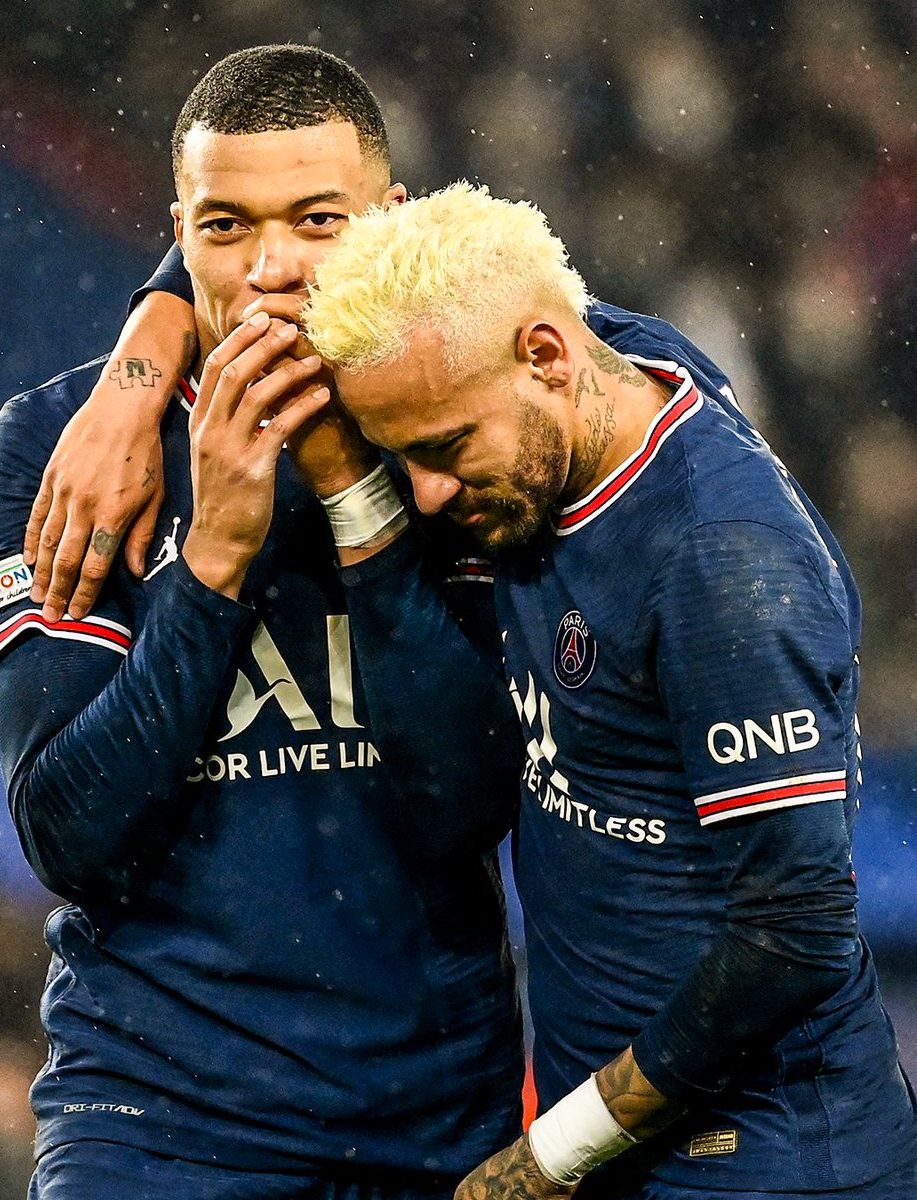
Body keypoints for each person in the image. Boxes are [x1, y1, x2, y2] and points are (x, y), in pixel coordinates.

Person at [0, 52, 526, 1200]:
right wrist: (212, 559)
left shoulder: (453, 429)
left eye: (319, 222)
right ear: (181, 234)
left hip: (436, 1117)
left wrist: (356, 500)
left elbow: (471, 800)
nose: (272, 269)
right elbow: (69, 839)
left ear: (389, 221)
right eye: (226, 228)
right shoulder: (62, 450)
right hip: (155, 1122)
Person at [299, 182, 917, 1199]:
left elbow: (794, 935)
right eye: (402, 456)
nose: (428, 494)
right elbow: (468, 263)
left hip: (762, 1163)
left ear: (548, 357)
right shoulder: (608, 354)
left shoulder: (721, 563)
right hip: (637, 1154)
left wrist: (551, 1155)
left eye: (446, 445)